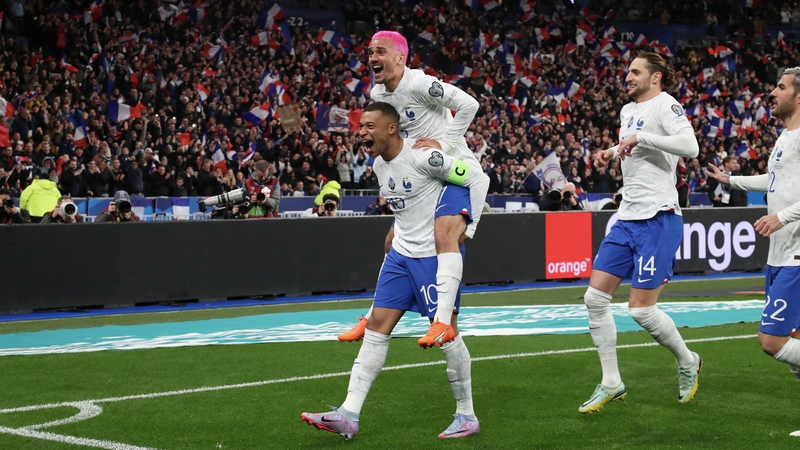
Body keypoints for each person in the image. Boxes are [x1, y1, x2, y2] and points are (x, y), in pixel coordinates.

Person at [301, 102, 487, 440]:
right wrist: (394, 230)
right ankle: (348, 414)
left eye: (370, 126)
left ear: (391, 129)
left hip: (433, 258)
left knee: (447, 335)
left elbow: (476, 176)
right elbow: (406, 204)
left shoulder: (422, 157)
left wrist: (467, 229)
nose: (362, 133)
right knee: (376, 328)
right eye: (361, 126)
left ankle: (466, 415)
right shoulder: (378, 166)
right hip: (400, 256)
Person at [339, 31, 486, 348]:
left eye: (381, 51)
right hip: (420, 176)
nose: (373, 57)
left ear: (400, 58)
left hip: (450, 170)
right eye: (370, 52)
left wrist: (444, 143)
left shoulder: (419, 84)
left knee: (444, 233)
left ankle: (443, 322)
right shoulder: (378, 92)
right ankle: (372, 316)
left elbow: (469, 104)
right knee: (392, 242)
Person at [578, 52, 702, 414]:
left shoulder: (667, 106)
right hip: (627, 215)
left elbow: (690, 148)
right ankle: (612, 383)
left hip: (658, 217)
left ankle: (687, 360)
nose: (627, 77)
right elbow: (634, 146)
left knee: (641, 311)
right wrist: (612, 151)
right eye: (627, 71)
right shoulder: (626, 111)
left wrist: (642, 137)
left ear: (656, 77)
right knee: (594, 300)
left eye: (635, 72)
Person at [706, 67, 800, 436]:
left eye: (780, 87)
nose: (772, 92)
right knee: (794, 340)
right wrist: (731, 179)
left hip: (796, 255)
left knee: (771, 341)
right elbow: (772, 181)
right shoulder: (784, 137)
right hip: (779, 255)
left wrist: (781, 217)